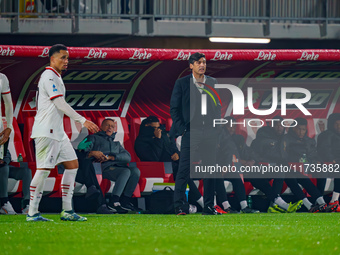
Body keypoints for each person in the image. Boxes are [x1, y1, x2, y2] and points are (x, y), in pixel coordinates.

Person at [28, 44, 100, 222]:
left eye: (67, 58)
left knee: (73, 165)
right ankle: (32, 212)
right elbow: (59, 104)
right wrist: (82, 119)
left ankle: (67, 210)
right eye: (63, 57)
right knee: (43, 170)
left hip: (58, 133)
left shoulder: (57, 77)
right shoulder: (48, 76)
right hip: (46, 131)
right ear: (52, 58)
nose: (66, 61)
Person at [170, 52, 221, 215]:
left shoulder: (212, 82)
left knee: (210, 171)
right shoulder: (182, 83)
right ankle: (179, 206)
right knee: (184, 169)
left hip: (209, 132)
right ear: (191, 65)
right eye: (199, 62)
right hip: (191, 131)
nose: (202, 65)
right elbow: (174, 109)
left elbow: (217, 106)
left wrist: (216, 128)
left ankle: (208, 207)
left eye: (204, 62)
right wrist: (182, 129)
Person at [225, 116, 302, 213]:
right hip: (230, 169)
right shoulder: (220, 139)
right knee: (253, 177)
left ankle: (276, 204)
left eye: (233, 126)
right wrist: (242, 162)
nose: (231, 128)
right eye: (228, 126)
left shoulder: (239, 138)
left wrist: (252, 160)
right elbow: (226, 156)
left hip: (249, 169)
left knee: (275, 173)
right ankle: (281, 205)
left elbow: (248, 152)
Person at [135, 116, 203, 211]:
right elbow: (154, 158)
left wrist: (177, 154)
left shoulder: (164, 136)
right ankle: (201, 202)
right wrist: (157, 140)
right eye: (154, 128)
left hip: (174, 166)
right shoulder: (140, 142)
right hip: (156, 169)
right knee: (183, 172)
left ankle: (210, 203)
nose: (158, 130)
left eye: (158, 127)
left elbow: (173, 148)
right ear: (146, 127)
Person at [80, 118, 140, 213]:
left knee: (135, 171)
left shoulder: (116, 144)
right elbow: (82, 149)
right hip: (101, 168)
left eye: (112, 126)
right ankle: (114, 202)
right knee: (126, 171)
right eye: (107, 125)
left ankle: (125, 201)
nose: (110, 128)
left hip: (116, 166)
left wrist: (111, 157)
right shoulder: (93, 137)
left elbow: (128, 157)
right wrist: (93, 153)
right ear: (101, 127)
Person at [282, 117, 338, 213]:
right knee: (294, 177)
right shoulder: (286, 139)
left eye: (303, 129)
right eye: (299, 129)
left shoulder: (309, 141)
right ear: (293, 128)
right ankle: (310, 206)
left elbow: (314, 155)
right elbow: (283, 156)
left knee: (321, 171)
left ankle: (322, 203)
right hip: (291, 169)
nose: (301, 132)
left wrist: (317, 161)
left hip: (308, 167)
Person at [317, 113, 340, 211]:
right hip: (326, 165)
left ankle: (334, 201)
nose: (339, 127)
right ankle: (333, 201)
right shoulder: (326, 135)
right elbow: (324, 151)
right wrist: (332, 160)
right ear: (331, 124)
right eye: (337, 124)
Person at [0, 150, 32, 215]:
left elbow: (8, 155)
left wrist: (4, 161)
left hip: (4, 167)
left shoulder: (2, 144)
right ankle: (4, 202)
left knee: (26, 172)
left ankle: (26, 204)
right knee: (4, 168)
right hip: (3, 169)